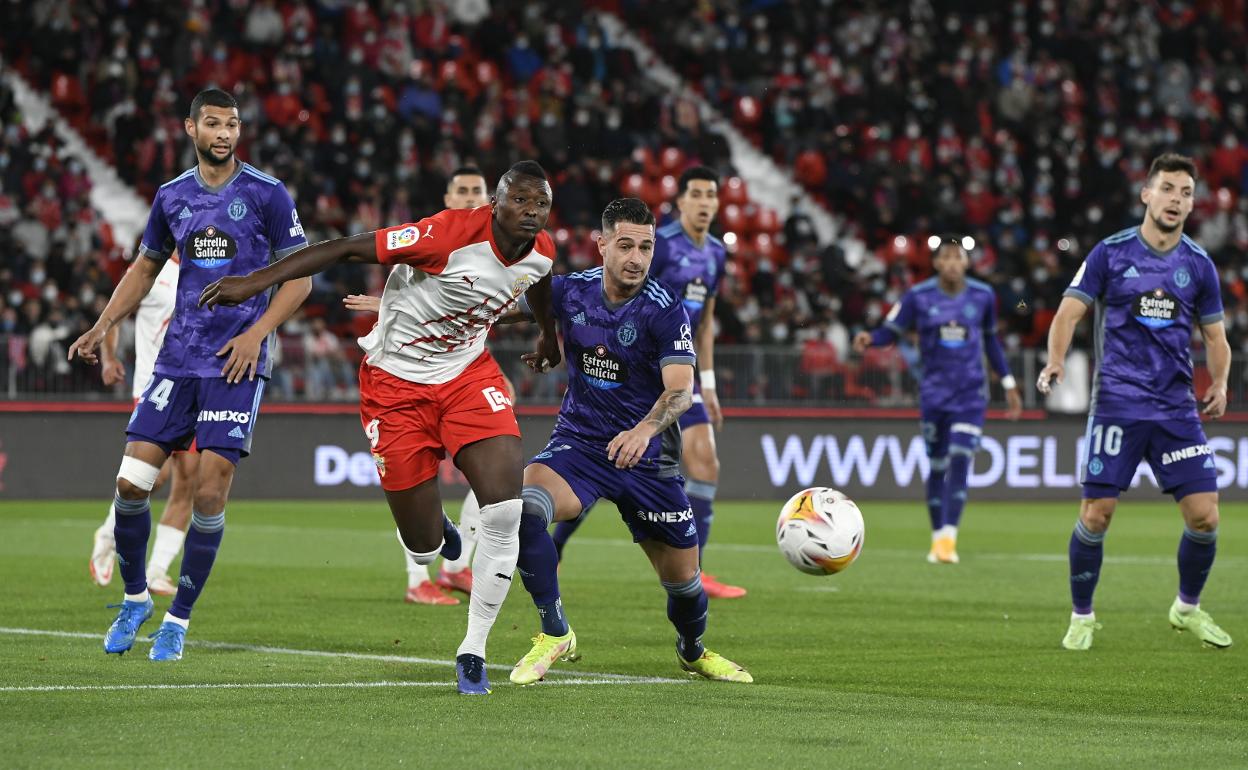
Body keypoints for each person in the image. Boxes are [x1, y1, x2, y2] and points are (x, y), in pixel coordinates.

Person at [199, 160, 561, 695]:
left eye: (541, 205)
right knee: (422, 546)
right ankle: (437, 530)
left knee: (506, 510)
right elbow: (344, 249)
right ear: (496, 203)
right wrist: (255, 283)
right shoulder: (445, 234)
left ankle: (473, 652)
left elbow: (539, 286)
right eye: (521, 201)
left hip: (466, 376)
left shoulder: (541, 252)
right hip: (396, 386)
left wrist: (550, 338)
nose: (531, 213)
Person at [67, 88, 312, 661]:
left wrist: (256, 334)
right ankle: (135, 599)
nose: (224, 133)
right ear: (190, 129)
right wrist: (103, 326)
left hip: (235, 364)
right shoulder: (172, 197)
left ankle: (176, 620)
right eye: (212, 123)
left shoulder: (267, 193)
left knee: (208, 488)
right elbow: (146, 267)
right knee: (130, 486)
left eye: (231, 124)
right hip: (176, 361)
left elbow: (299, 277)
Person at [508, 198, 752, 686]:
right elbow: (496, 305)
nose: (636, 257)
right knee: (524, 508)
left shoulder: (665, 309)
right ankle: (555, 632)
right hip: (581, 444)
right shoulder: (571, 292)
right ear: (601, 246)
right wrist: (403, 307)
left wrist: (643, 430)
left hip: (648, 459)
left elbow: (680, 389)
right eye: (625, 245)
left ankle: (692, 650)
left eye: (645, 246)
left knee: (685, 585)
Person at [1038, 152, 1232, 651]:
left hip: (1175, 410)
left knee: (1206, 516)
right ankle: (1082, 617)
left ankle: (1186, 608)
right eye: (1167, 188)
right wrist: (1056, 359)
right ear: (1147, 194)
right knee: (1097, 513)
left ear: (1192, 204)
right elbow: (1068, 313)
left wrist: (1221, 382)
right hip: (1118, 405)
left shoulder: (1199, 265)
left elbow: (1215, 337)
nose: (1176, 200)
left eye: (1186, 192)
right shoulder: (1110, 253)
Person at [551, 167, 747, 599]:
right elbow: (615, 290)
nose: (704, 202)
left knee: (706, 461)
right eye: (695, 194)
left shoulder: (715, 253)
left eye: (711, 195)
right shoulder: (663, 245)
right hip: (631, 372)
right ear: (680, 202)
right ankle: (556, 547)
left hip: (677, 374)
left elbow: (707, 322)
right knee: (607, 460)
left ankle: (697, 567)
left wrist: (708, 384)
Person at [343, 166, 496, 606]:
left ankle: (454, 567)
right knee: (415, 482)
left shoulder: (494, 246)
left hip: (460, 371)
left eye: (477, 191)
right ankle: (419, 576)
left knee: (490, 471)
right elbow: (405, 290)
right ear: (448, 196)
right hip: (404, 379)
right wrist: (385, 304)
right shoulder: (431, 238)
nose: (469, 197)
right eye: (462, 190)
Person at [853, 235, 1023, 563]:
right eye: (946, 258)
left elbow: (991, 341)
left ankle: (949, 539)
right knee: (937, 465)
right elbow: (892, 330)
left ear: (967, 262)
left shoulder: (983, 296)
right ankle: (936, 537)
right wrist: (871, 338)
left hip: (971, 393)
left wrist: (1009, 382)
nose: (952, 263)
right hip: (934, 393)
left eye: (958, 257)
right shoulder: (917, 296)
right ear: (935, 263)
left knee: (961, 456)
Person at [90, 252, 196, 596]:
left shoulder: (210, 266)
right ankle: (108, 533)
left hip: (195, 388)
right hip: (154, 387)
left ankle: (157, 570)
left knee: (189, 480)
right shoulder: (154, 268)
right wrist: (109, 356)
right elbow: (116, 312)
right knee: (155, 476)